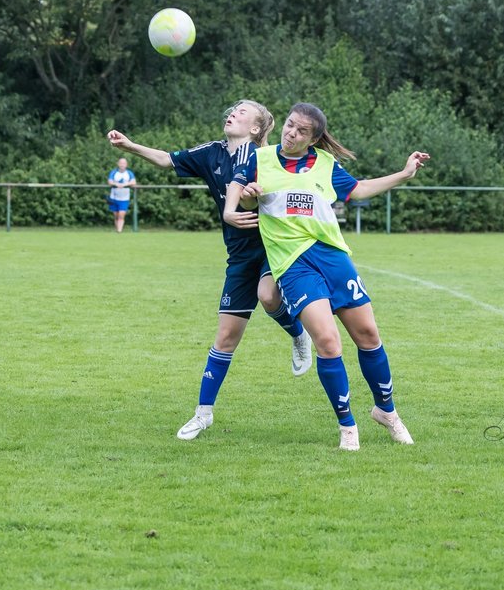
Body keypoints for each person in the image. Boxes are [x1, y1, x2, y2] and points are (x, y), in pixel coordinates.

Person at [224, 102, 429, 451]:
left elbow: (359, 189)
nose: (291, 133)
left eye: (301, 131)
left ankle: (387, 412)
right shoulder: (260, 159)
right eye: (289, 126)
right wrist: (244, 200)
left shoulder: (325, 164)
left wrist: (404, 174)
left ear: (313, 139)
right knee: (328, 342)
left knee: (368, 334)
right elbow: (242, 199)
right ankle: (347, 426)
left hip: (333, 257)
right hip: (292, 263)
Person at [107, 99, 313, 441]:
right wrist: (128, 144)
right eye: (233, 109)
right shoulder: (211, 153)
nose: (232, 112)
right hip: (239, 254)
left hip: (274, 245)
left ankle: (298, 334)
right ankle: (203, 415)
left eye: (242, 112)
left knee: (268, 295)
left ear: (256, 129)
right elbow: (165, 159)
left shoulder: (269, 157)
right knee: (226, 336)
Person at [107, 157, 137, 233]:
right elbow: (110, 182)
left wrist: (124, 184)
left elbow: (133, 182)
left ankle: (119, 231)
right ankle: (117, 230)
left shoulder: (129, 173)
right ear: (118, 164)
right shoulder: (114, 172)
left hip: (124, 198)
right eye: (121, 163)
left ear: (126, 165)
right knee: (116, 215)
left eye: (124, 163)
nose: (122, 165)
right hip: (114, 197)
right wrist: (116, 184)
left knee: (121, 215)